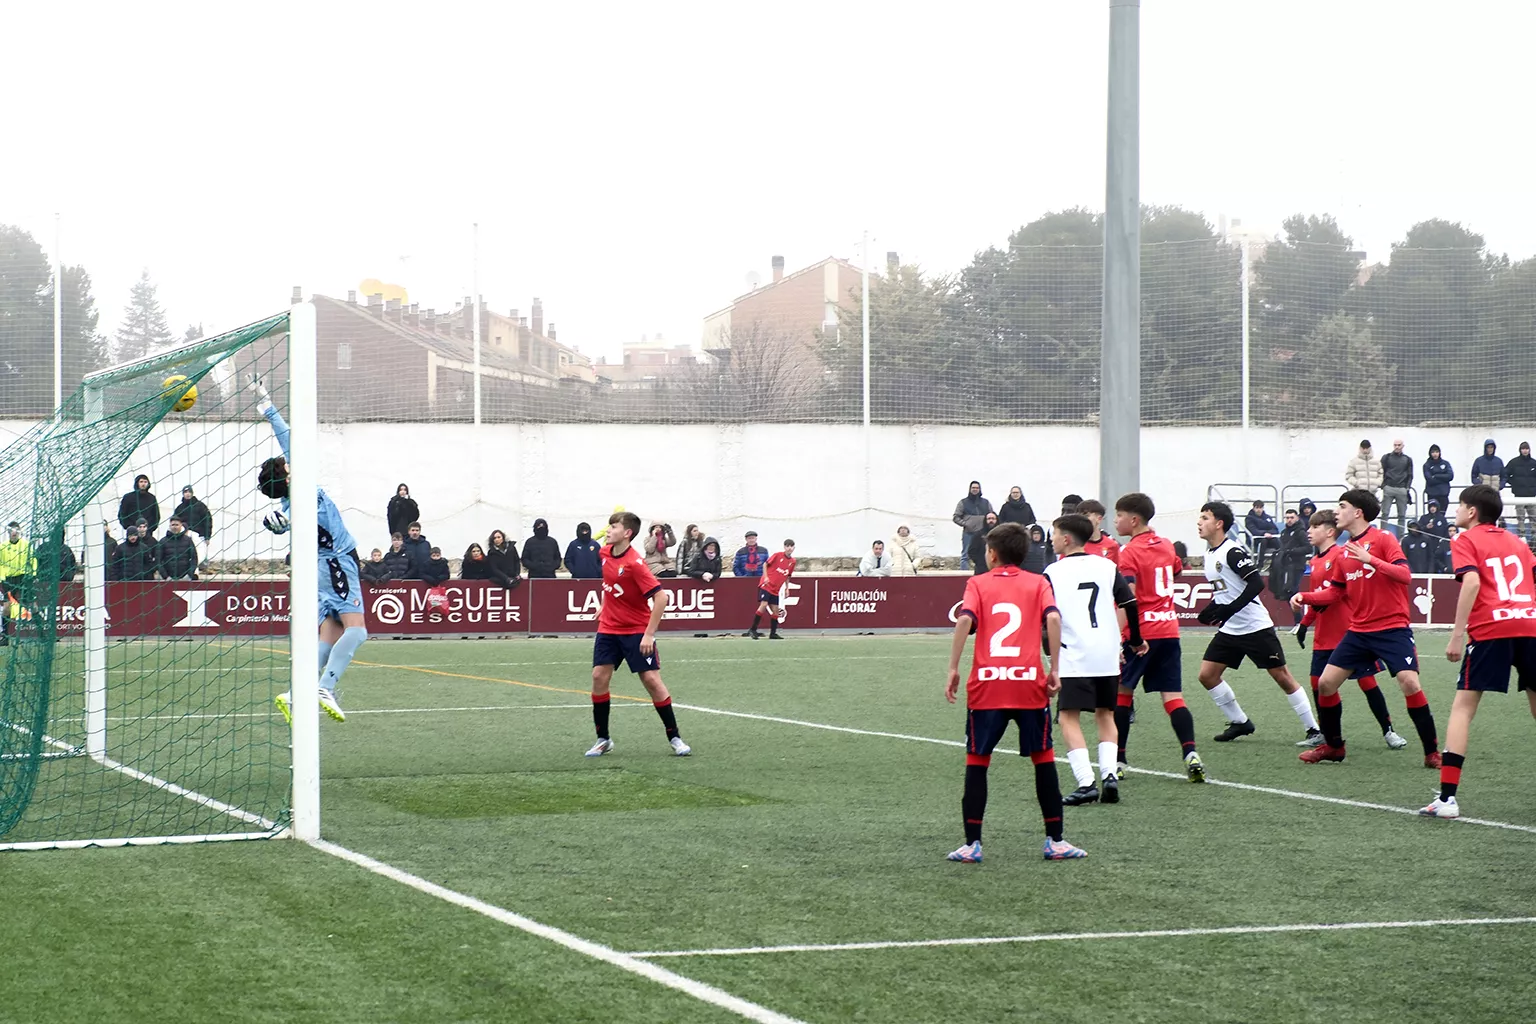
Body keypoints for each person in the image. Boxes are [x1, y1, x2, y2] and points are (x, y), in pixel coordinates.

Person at [944, 522, 1085, 863]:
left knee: (978, 762)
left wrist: (953, 667)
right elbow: (1053, 619)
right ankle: (1055, 841)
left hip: (988, 684)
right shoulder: (1038, 583)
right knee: (1043, 761)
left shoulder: (977, 583)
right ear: (1023, 553)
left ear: (992, 554)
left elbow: (964, 621)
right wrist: (1053, 669)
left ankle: (972, 845)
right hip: (1028, 683)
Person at [1292, 490, 1442, 767]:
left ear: (1357, 512)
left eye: (1342, 506)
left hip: (1392, 629)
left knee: (1409, 682)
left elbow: (1404, 575)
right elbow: (1335, 593)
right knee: (1325, 683)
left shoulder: (1383, 538)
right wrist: (1306, 597)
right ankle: (1334, 747)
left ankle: (1432, 752)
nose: (1337, 512)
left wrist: (1370, 559)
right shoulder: (1344, 552)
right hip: (1359, 632)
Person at [250, 375, 361, 724]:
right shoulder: (296, 499)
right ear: (285, 476)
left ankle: (296, 693)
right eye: (286, 464)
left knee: (330, 633)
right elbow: (289, 524)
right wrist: (284, 526)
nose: (290, 461)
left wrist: (265, 401)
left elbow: (284, 434)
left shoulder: (290, 501)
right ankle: (324, 687)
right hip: (337, 564)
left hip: (324, 569)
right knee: (357, 631)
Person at [1422, 485, 1536, 819]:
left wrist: (1457, 635)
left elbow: (1471, 583)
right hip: (1529, 626)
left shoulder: (1465, 539)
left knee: (1462, 709)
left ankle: (1447, 800)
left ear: (1472, 511)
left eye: (1460, 505)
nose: (1456, 511)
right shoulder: (1516, 541)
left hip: (1491, 630)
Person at [1194, 501, 1322, 746]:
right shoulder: (1209, 554)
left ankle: (1313, 729)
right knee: (1207, 675)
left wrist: (1229, 609)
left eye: (1205, 518)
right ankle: (1240, 722)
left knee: (1282, 677)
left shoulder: (1232, 551)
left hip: (1255, 627)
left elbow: (1255, 584)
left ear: (1219, 524)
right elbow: (1225, 590)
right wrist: (1210, 610)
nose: (1199, 522)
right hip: (1231, 629)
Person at [1293, 509, 1407, 750]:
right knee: (1318, 684)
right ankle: (1328, 736)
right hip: (1323, 637)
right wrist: (1304, 624)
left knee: (1367, 683)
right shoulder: (1314, 562)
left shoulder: (1342, 554)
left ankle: (1388, 730)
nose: (1309, 532)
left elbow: (1336, 593)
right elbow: (1318, 597)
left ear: (1329, 531)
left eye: (1314, 527)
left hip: (1348, 634)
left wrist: (1308, 599)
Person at [1045, 514, 1137, 806]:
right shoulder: (1107, 566)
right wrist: (1134, 639)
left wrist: (1050, 651)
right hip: (1106, 652)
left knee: (1067, 717)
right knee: (1105, 713)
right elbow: (1129, 602)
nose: (1052, 539)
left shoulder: (1053, 571)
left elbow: (1047, 616)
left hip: (1075, 653)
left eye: (1055, 534)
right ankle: (1109, 775)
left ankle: (1086, 782)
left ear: (1067, 539)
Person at [1112, 493, 1205, 781]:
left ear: (1134, 520)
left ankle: (1119, 760)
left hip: (1140, 634)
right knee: (1173, 697)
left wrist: (1117, 639)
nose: (1115, 521)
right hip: (1169, 630)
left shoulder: (1128, 552)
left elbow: (1126, 598)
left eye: (1119, 515)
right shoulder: (1165, 545)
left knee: (1122, 694)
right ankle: (1190, 752)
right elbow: (1176, 570)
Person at [584, 510, 691, 759]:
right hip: (609, 629)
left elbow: (661, 598)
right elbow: (608, 585)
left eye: (613, 526)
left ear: (627, 533)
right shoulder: (604, 553)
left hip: (635, 631)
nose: (608, 530)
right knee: (599, 676)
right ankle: (603, 739)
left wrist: (649, 635)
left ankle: (674, 737)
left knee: (652, 682)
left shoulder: (635, 564)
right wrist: (603, 605)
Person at [746, 539, 795, 640]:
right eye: (787, 546)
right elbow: (765, 564)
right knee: (763, 604)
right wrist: (766, 577)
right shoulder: (777, 555)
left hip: (776, 589)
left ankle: (773, 633)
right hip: (767, 585)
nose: (789, 548)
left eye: (791, 546)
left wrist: (787, 588)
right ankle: (752, 629)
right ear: (784, 547)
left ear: (794, 548)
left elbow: (788, 575)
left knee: (776, 612)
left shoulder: (792, 562)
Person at [0, 521, 35, 648]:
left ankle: (43, 633)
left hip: (24, 578)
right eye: (11, 531)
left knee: (32, 604)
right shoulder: (2, 546)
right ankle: (5, 636)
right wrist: (2, 577)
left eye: (16, 530)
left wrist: (33, 574)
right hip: (9, 579)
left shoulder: (26, 545)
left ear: (19, 532)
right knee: (7, 607)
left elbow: (33, 560)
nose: (14, 533)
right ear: (8, 532)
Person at [1271, 509, 1310, 614]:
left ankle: (1300, 621)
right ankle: (1299, 621)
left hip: (1297, 566)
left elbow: (1308, 548)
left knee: (1292, 591)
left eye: (1292, 517)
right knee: (1287, 592)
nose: (1289, 520)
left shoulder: (1300, 532)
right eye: (1287, 518)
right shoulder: (1284, 532)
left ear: (1297, 518)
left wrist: (1292, 552)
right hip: (1285, 566)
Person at [952, 481, 993, 571]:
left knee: (985, 553)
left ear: (980, 489)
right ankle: (963, 575)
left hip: (983, 534)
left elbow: (991, 515)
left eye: (977, 488)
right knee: (965, 555)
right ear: (970, 489)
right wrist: (966, 524)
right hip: (968, 533)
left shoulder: (986, 502)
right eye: (973, 488)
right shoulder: (963, 502)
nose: (975, 489)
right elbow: (956, 517)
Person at [1380, 439, 1414, 531]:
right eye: (1395, 445)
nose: (1397, 447)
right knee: (1385, 513)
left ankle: (1401, 537)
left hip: (1402, 488)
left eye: (1399, 445)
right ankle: (1383, 534)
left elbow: (1410, 475)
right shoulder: (1386, 457)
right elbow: (1381, 471)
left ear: (1403, 446)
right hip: (1389, 487)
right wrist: (1383, 485)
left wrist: (1407, 488)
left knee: (1402, 515)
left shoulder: (1407, 459)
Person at [1505, 441, 1536, 541]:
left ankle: (1534, 535)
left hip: (1531, 495)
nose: (1525, 450)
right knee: (1520, 517)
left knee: (1533, 516)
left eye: (1527, 448)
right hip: (1519, 495)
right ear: (1520, 450)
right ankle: (1522, 535)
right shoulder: (1514, 462)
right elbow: (1505, 474)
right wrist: (1514, 483)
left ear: (1529, 450)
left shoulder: (1533, 463)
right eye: (1523, 448)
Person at [154, 515, 199, 580]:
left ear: (181, 525)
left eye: (177, 525)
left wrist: (189, 575)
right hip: (168, 579)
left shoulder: (188, 540)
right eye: (173, 525)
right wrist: (166, 577)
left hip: (185, 578)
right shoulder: (162, 541)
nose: (175, 527)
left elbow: (194, 558)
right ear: (170, 526)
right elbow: (158, 561)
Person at [1077, 500, 1121, 564]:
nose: (1081, 519)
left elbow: (1116, 571)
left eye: (1086, 515)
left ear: (1099, 519)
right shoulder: (1073, 545)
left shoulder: (1112, 546)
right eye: (1079, 516)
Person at [117, 474, 161, 539]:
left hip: (147, 534)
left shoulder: (152, 498)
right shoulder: (128, 497)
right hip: (132, 534)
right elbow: (122, 514)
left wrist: (149, 528)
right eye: (141, 482)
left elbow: (156, 516)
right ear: (137, 483)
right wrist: (129, 527)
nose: (143, 484)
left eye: (145, 482)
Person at [1243, 500, 1279, 567]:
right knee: (1263, 541)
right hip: (1255, 540)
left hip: (1268, 539)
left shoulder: (1267, 518)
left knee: (1276, 541)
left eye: (1260, 508)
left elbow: (1275, 529)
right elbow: (1253, 531)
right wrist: (1264, 533)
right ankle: (1260, 564)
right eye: (1257, 508)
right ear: (1253, 508)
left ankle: (1279, 562)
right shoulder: (1249, 518)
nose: (1259, 510)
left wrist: (1268, 534)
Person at [1422, 444, 1454, 511]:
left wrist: (1436, 476)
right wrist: (1443, 479)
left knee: (1442, 514)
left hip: (1443, 493)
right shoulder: (1427, 465)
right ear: (1430, 453)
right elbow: (1430, 480)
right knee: (1433, 514)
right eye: (1433, 452)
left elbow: (1450, 476)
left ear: (1439, 453)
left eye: (1436, 452)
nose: (1435, 454)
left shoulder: (1445, 463)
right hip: (1432, 493)